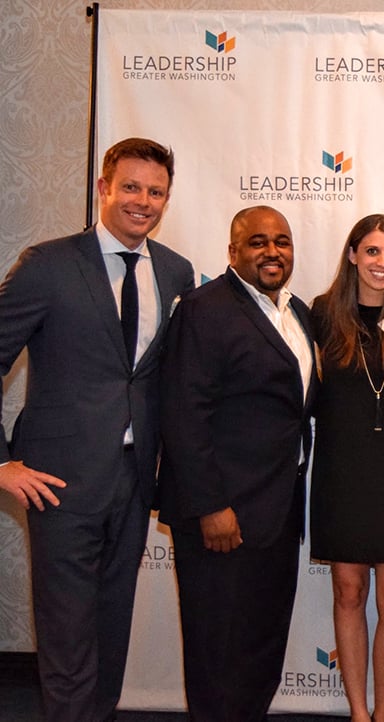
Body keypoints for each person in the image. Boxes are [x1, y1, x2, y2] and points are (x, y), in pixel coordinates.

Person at [0, 137, 193, 722]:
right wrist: (2, 462)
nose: (143, 201)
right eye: (131, 187)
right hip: (57, 482)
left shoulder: (176, 271)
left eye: (155, 191)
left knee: (112, 631)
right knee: (66, 640)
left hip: (135, 484)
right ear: (104, 187)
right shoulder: (49, 264)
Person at [157, 205, 317, 722]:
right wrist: (210, 507)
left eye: (282, 241)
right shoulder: (204, 308)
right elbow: (184, 414)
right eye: (257, 242)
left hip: (276, 513)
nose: (272, 252)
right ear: (232, 252)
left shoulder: (299, 314)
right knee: (218, 653)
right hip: (222, 518)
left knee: (261, 648)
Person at [309, 214, 384, 722]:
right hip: (342, 471)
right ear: (353, 254)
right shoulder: (321, 313)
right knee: (348, 592)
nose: (383, 262)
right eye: (373, 251)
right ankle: (359, 713)